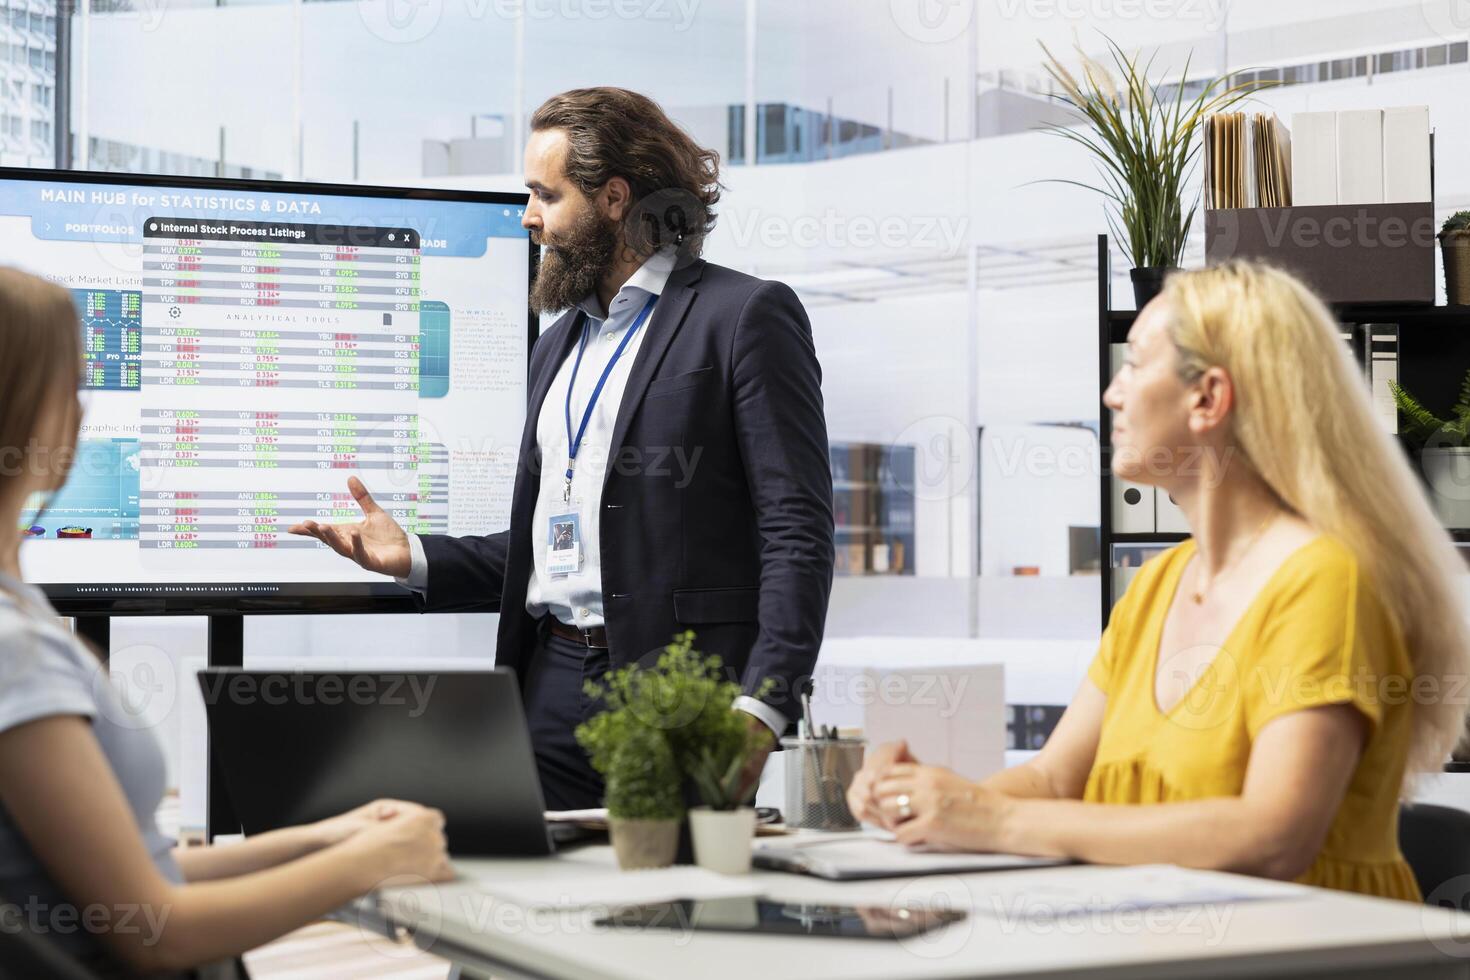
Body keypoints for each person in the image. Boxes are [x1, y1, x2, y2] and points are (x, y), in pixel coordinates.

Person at [848, 261, 1470, 901]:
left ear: (1208, 399)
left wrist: (992, 819)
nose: (1111, 395)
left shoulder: (1324, 579)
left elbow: (1273, 835)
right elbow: (1055, 781)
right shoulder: (1156, 585)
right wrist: (931, 800)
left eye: (1135, 365)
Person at [292, 88, 835, 810]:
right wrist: (414, 554)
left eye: (545, 195)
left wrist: (762, 710)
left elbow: (797, 534)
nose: (529, 218)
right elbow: (550, 546)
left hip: (678, 695)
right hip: (547, 680)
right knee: (529, 895)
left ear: (615, 198)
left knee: (668, 909)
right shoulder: (555, 346)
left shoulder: (743, 317)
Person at [0, 268, 453, 976]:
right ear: (35, 416)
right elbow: (157, 929)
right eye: (76, 387)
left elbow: (143, 872)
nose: (86, 413)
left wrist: (334, 838)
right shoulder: (14, 650)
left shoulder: (21, 615)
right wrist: (373, 862)